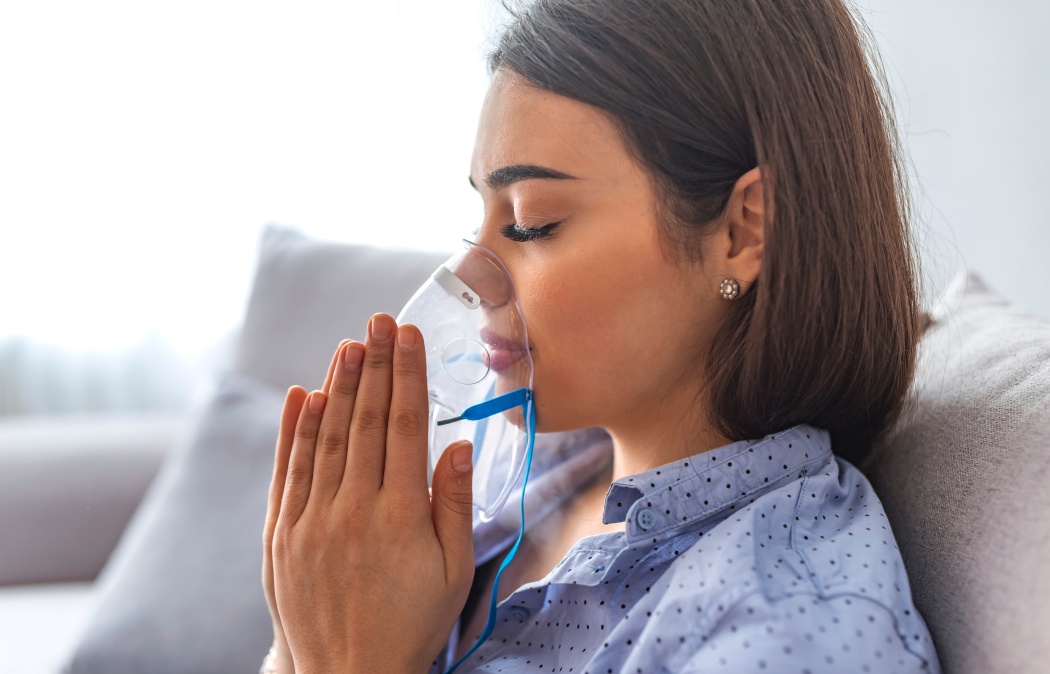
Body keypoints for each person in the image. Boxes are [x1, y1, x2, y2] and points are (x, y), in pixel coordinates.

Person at [259, 0, 942, 672]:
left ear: (743, 232)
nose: (471, 272)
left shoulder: (785, 630)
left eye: (532, 221)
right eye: (482, 216)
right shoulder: (547, 464)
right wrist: (302, 628)